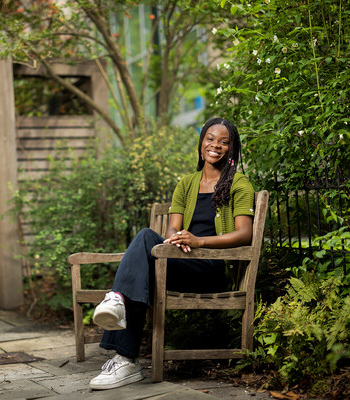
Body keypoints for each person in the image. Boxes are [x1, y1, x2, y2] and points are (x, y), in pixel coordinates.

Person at [88, 117, 255, 390]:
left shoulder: (239, 183)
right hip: (179, 263)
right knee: (145, 249)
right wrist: (176, 238)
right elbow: (172, 227)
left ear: (232, 149)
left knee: (143, 242)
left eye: (224, 142)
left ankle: (123, 347)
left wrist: (199, 242)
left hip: (210, 268)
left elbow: (244, 234)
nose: (216, 146)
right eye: (210, 138)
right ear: (201, 142)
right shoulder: (187, 183)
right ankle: (125, 358)